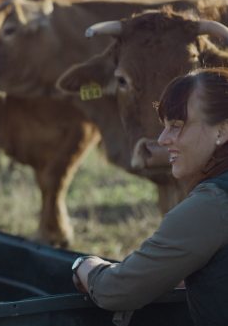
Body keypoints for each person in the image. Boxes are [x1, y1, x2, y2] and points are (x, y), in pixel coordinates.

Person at [71, 67, 228, 325]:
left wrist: (84, 265)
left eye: (176, 126)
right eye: (164, 126)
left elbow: (117, 290)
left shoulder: (212, 205)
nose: (163, 139)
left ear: (222, 131)